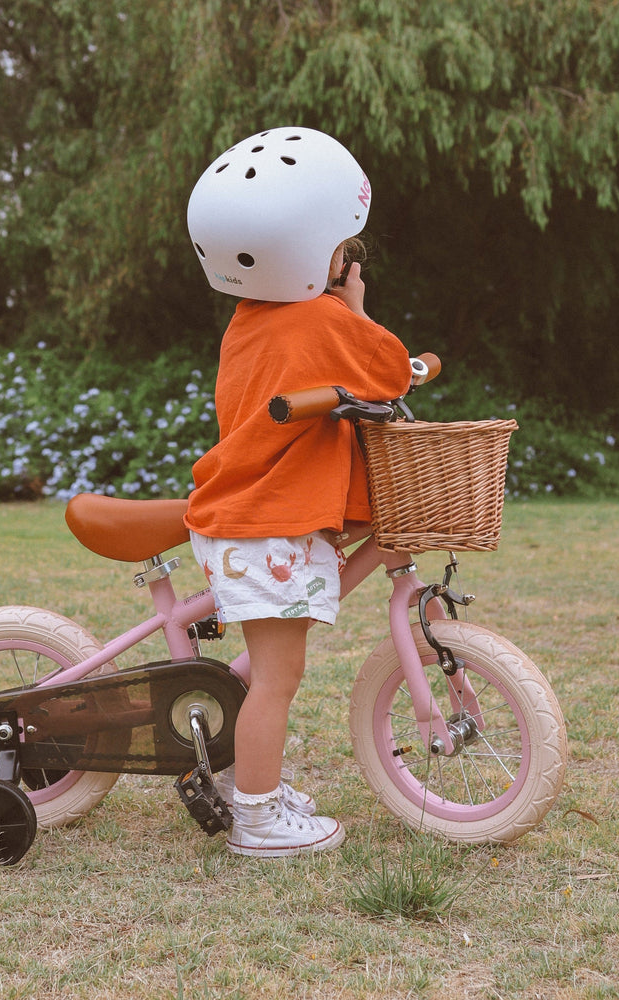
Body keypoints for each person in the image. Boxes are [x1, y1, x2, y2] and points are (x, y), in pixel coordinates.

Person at [184, 126, 412, 857]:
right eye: (348, 252)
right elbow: (390, 371)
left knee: (276, 670)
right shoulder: (317, 319)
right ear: (312, 253)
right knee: (277, 678)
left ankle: (260, 788)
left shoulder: (250, 320)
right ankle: (255, 818)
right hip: (264, 526)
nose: (351, 263)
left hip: (250, 519)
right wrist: (356, 310)